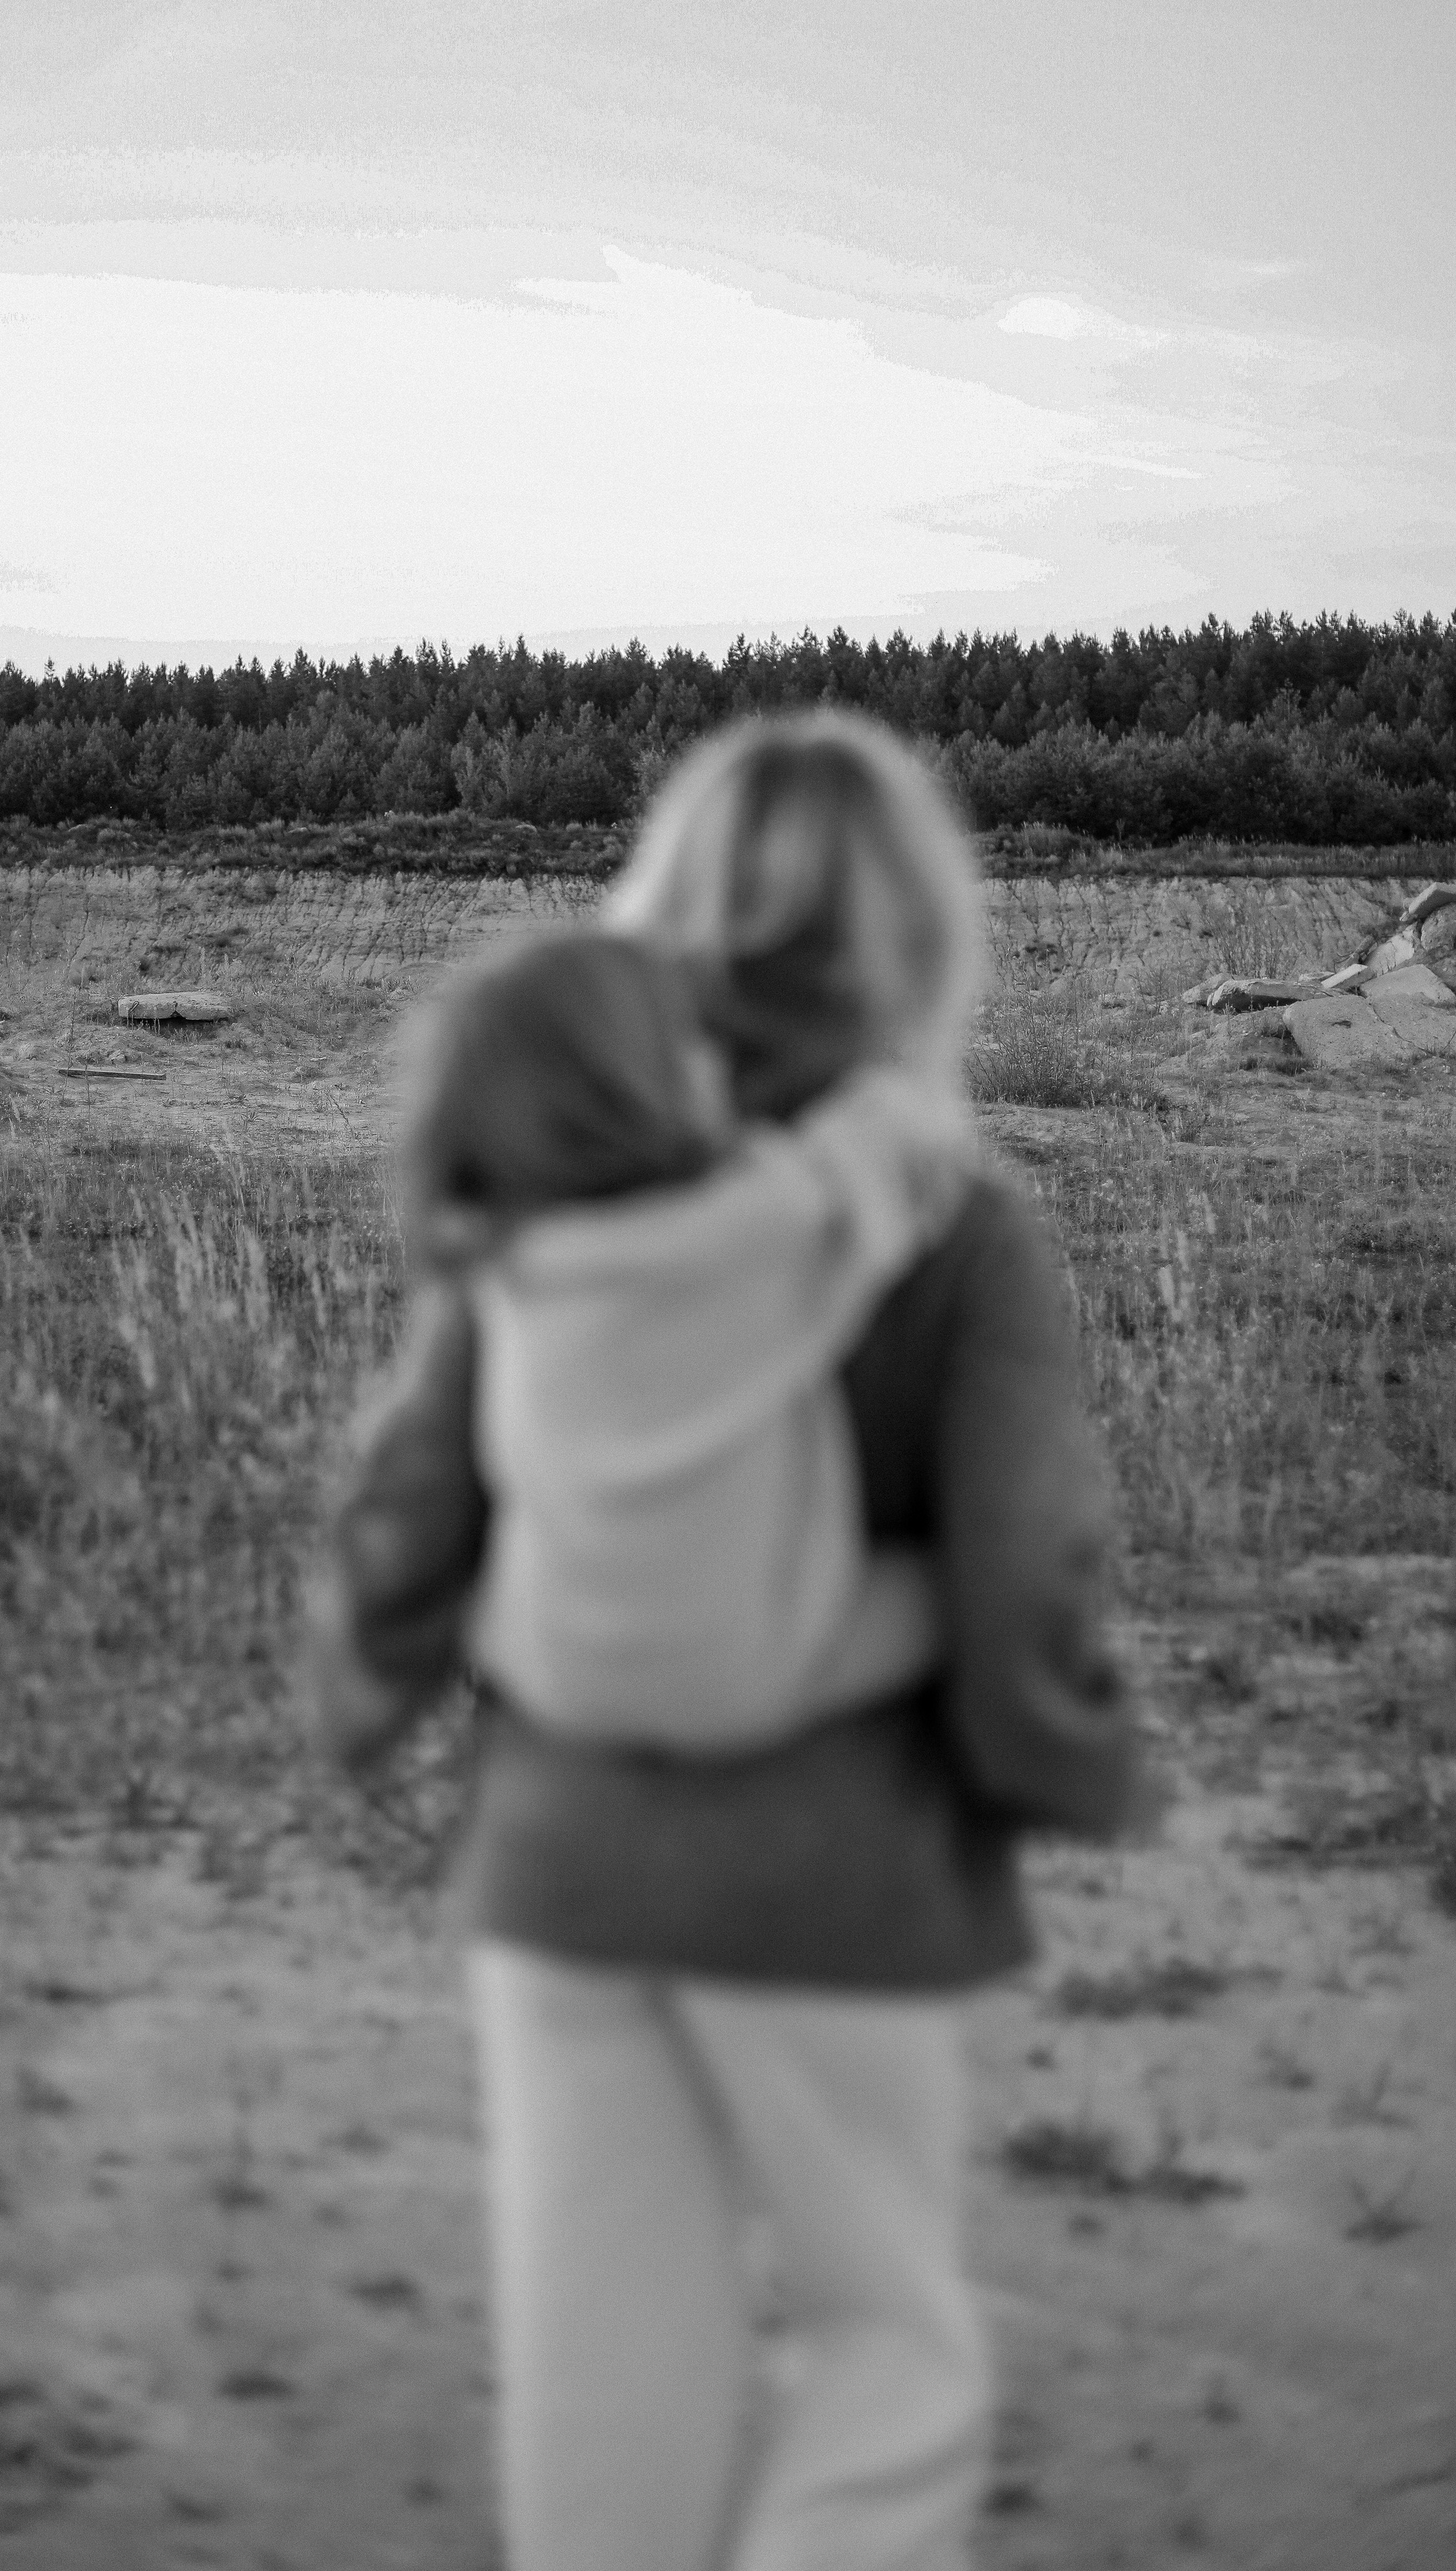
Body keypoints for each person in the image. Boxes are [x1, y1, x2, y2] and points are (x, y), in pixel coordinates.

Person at [316, 710, 1139, 2571]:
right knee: (887, 2350)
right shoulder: (949, 1219)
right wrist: (1058, 1755)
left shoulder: (558, 1188)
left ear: (660, 905)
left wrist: (371, 1679)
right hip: (834, 1877)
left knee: (603, 2377)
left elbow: (417, 1494)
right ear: (922, 939)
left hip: (562, 1857)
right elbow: (1025, 1574)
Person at [396, 927, 977, 1754]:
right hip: (731, 1685)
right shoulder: (741, 1238)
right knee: (953, 1589)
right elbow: (875, 1156)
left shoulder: (511, 1261)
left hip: (551, 1670)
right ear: (635, 1087)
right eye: (694, 1041)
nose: (719, 1061)